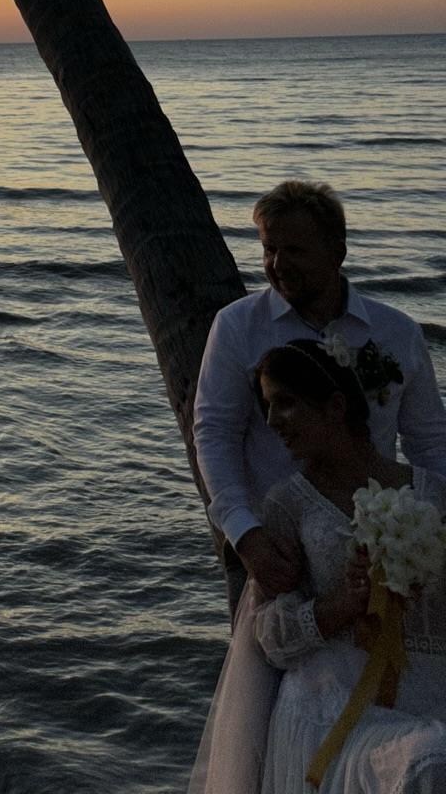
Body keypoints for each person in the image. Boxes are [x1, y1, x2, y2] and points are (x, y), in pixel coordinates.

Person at [191, 340, 446, 792]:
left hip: (432, 688)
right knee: (427, 760)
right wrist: (341, 605)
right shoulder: (288, 504)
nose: (272, 421)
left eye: (285, 402)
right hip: (333, 697)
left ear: (335, 406)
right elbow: (269, 637)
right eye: (267, 407)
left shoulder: (432, 494)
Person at [194, 180, 446, 597]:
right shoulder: (238, 326)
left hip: (377, 551)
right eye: (269, 249)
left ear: (337, 252)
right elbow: (215, 434)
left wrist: (430, 527)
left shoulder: (397, 332)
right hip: (276, 548)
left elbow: (430, 442)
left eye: (294, 250)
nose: (278, 264)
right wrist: (245, 533)